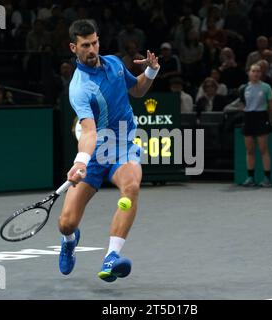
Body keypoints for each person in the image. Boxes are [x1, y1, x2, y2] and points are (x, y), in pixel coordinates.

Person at [60, 20, 160, 282]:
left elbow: (136, 90)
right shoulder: (79, 87)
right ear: (74, 47)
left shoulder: (115, 63)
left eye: (94, 42)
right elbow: (90, 132)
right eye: (85, 45)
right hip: (93, 152)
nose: (92, 49)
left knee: (132, 187)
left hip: (123, 145)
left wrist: (150, 72)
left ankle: (111, 257)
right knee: (66, 223)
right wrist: (81, 161)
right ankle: (70, 240)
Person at [240, 64, 272, 187]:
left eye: (258, 71)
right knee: (250, 150)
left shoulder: (266, 87)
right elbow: (242, 104)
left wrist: (268, 117)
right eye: (253, 71)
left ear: (260, 74)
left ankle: (267, 178)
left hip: (261, 117)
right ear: (249, 73)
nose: (255, 73)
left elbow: (271, 104)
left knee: (263, 149)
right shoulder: (244, 88)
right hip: (248, 118)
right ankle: (250, 177)